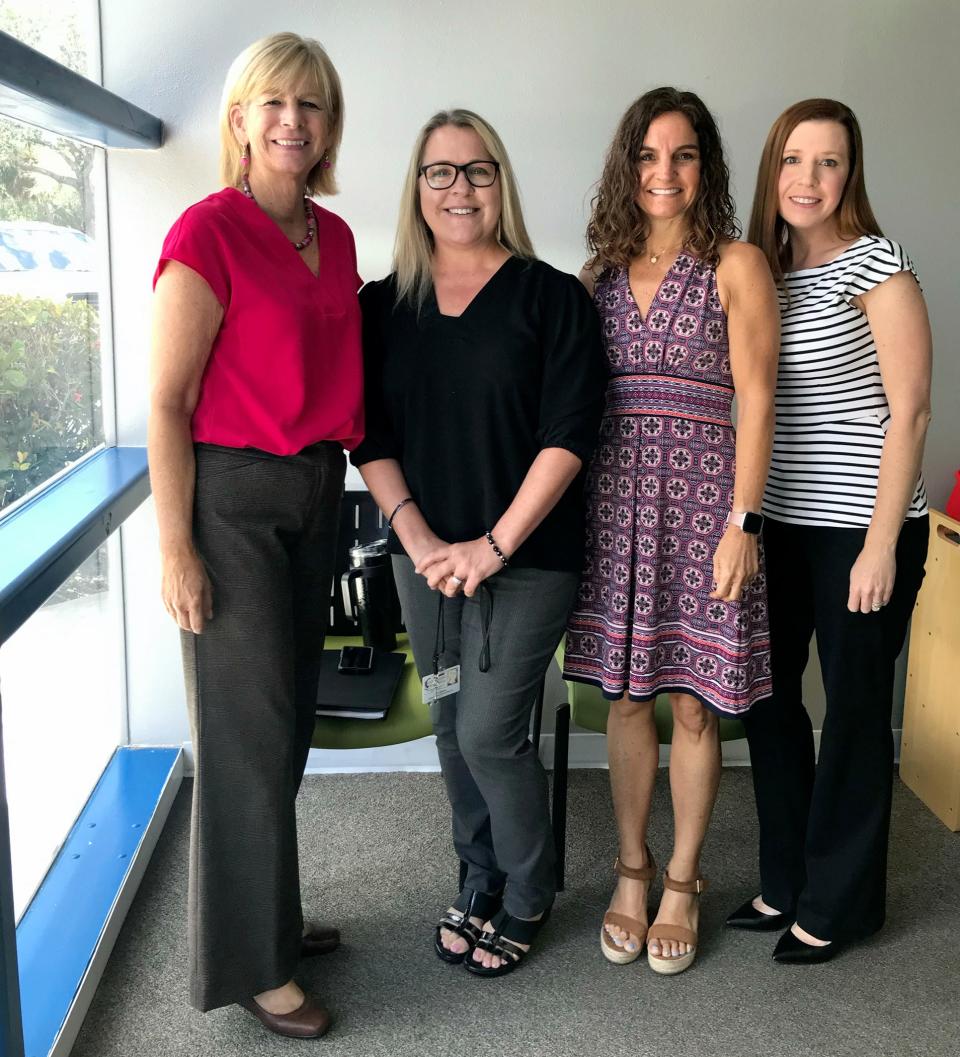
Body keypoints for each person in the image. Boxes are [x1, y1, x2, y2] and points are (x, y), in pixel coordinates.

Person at [351, 108, 606, 977]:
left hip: (526, 559)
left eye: (479, 170)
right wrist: (419, 539)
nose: (460, 188)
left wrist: (491, 546)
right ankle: (479, 870)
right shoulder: (380, 305)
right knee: (452, 720)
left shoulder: (553, 295)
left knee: (495, 732)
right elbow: (369, 434)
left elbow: (569, 434)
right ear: (416, 191)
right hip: (424, 563)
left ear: (503, 182)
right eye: (440, 173)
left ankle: (530, 889)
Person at [148, 32, 363, 1037]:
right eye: (273, 102)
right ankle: (251, 964)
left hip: (317, 493)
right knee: (243, 742)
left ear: (328, 127)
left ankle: (267, 917)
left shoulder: (339, 237)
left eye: (312, 105)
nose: (293, 120)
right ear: (238, 120)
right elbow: (166, 402)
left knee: (280, 734)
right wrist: (176, 548)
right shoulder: (207, 233)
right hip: (230, 502)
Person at [563, 87, 780, 975]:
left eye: (683, 154)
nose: (664, 172)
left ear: (706, 166)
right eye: (648, 155)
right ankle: (631, 868)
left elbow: (760, 397)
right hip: (615, 512)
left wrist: (744, 521)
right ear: (627, 166)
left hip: (706, 515)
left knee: (693, 702)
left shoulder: (736, 264)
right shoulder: (595, 276)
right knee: (624, 698)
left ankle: (683, 879)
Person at [726, 99, 931, 963]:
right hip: (776, 523)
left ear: (852, 173)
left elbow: (910, 412)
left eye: (830, 162)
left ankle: (842, 903)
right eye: (794, 160)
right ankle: (784, 879)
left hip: (861, 527)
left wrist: (882, 542)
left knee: (850, 710)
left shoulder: (874, 262)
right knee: (769, 705)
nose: (809, 179)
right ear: (772, 169)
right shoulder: (759, 268)